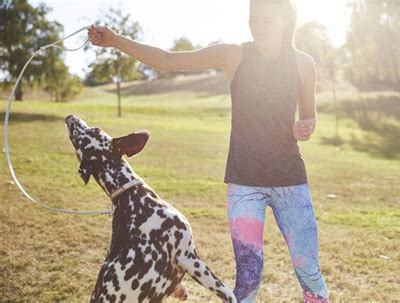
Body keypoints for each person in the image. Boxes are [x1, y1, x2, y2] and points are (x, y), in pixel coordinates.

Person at [88, 0, 330, 302]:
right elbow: (167, 59)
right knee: (248, 274)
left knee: (308, 269)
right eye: (254, 18)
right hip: (244, 185)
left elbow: (309, 115)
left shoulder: (303, 63)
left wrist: (304, 126)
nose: (259, 26)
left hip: (291, 181)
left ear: (285, 20)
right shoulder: (234, 55)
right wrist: (115, 40)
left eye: (268, 20)